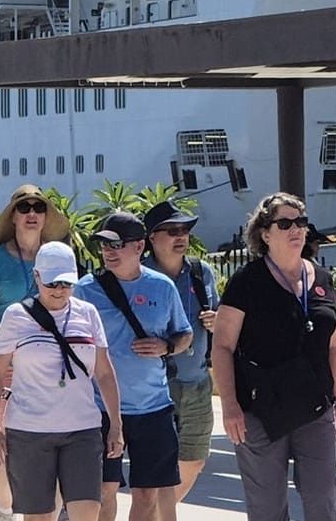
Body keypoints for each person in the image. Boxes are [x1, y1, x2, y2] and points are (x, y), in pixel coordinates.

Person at [215, 192, 336, 521]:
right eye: (284, 223)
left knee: (323, 499)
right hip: (261, 409)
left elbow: (333, 343)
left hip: (315, 407)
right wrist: (229, 405)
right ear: (264, 234)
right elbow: (223, 345)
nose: (295, 229)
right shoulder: (246, 281)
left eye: (300, 222)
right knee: (267, 507)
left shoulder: (321, 278)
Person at [0, 241, 126, 521]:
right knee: (40, 516)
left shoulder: (87, 313)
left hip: (82, 429)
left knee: (87, 512)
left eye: (66, 283)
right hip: (30, 432)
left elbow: (105, 373)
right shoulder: (15, 316)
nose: (59, 290)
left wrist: (116, 426)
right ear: (37, 277)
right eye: (52, 283)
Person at [76, 211, 192, 521]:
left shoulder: (162, 287)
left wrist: (166, 347)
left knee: (146, 495)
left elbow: (185, 334)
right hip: (100, 407)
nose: (109, 253)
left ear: (139, 246)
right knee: (104, 490)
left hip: (152, 407)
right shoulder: (85, 289)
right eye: (104, 246)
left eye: (116, 245)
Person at [0, 184, 73, 520]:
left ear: (46, 217)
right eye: (24, 207)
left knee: (57, 440)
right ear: (13, 216)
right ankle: (5, 508)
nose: (32, 213)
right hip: (9, 367)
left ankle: (48, 511)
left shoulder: (59, 255)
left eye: (38, 208)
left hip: (54, 369)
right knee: (0, 442)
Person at [141, 200, 219, 505]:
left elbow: (221, 317)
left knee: (195, 460)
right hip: (154, 388)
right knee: (156, 468)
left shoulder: (201, 273)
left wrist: (216, 320)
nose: (181, 236)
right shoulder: (139, 276)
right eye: (172, 230)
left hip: (197, 384)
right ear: (151, 238)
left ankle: (163, 511)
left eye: (185, 229)